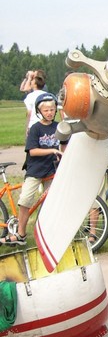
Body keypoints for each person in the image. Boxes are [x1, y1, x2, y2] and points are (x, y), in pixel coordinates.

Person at [0, 93, 65, 246]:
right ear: (39, 111)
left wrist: (63, 156)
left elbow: (64, 145)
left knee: (50, 203)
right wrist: (52, 151)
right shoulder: (35, 128)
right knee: (25, 200)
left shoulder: (58, 127)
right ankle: (20, 234)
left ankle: (48, 235)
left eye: (52, 109)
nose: (49, 112)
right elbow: (32, 151)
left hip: (51, 170)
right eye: (46, 110)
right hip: (35, 169)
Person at [23, 69, 47, 135]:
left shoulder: (32, 95)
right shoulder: (46, 94)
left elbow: (25, 89)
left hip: (34, 123)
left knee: (32, 143)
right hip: (45, 122)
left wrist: (29, 77)